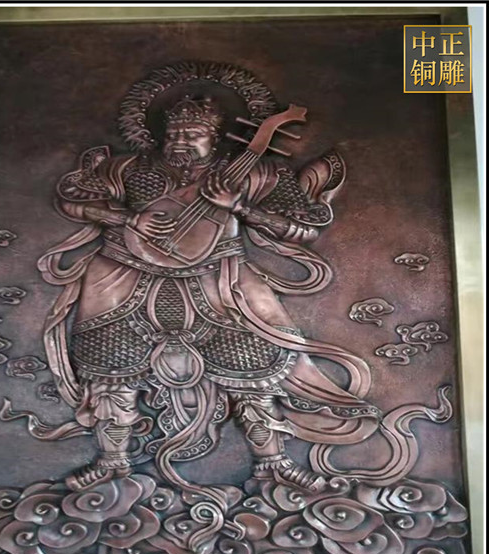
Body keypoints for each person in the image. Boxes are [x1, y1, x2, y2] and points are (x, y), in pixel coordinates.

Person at [37, 96, 381, 494]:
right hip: (125, 275)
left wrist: (241, 208)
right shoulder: (128, 168)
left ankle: (274, 462)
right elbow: (72, 202)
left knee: (253, 368)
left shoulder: (256, 173)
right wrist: (127, 218)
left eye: (193, 134)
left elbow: (303, 229)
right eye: (174, 133)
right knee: (111, 367)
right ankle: (112, 460)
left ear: (217, 138)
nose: (181, 140)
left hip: (219, 279)